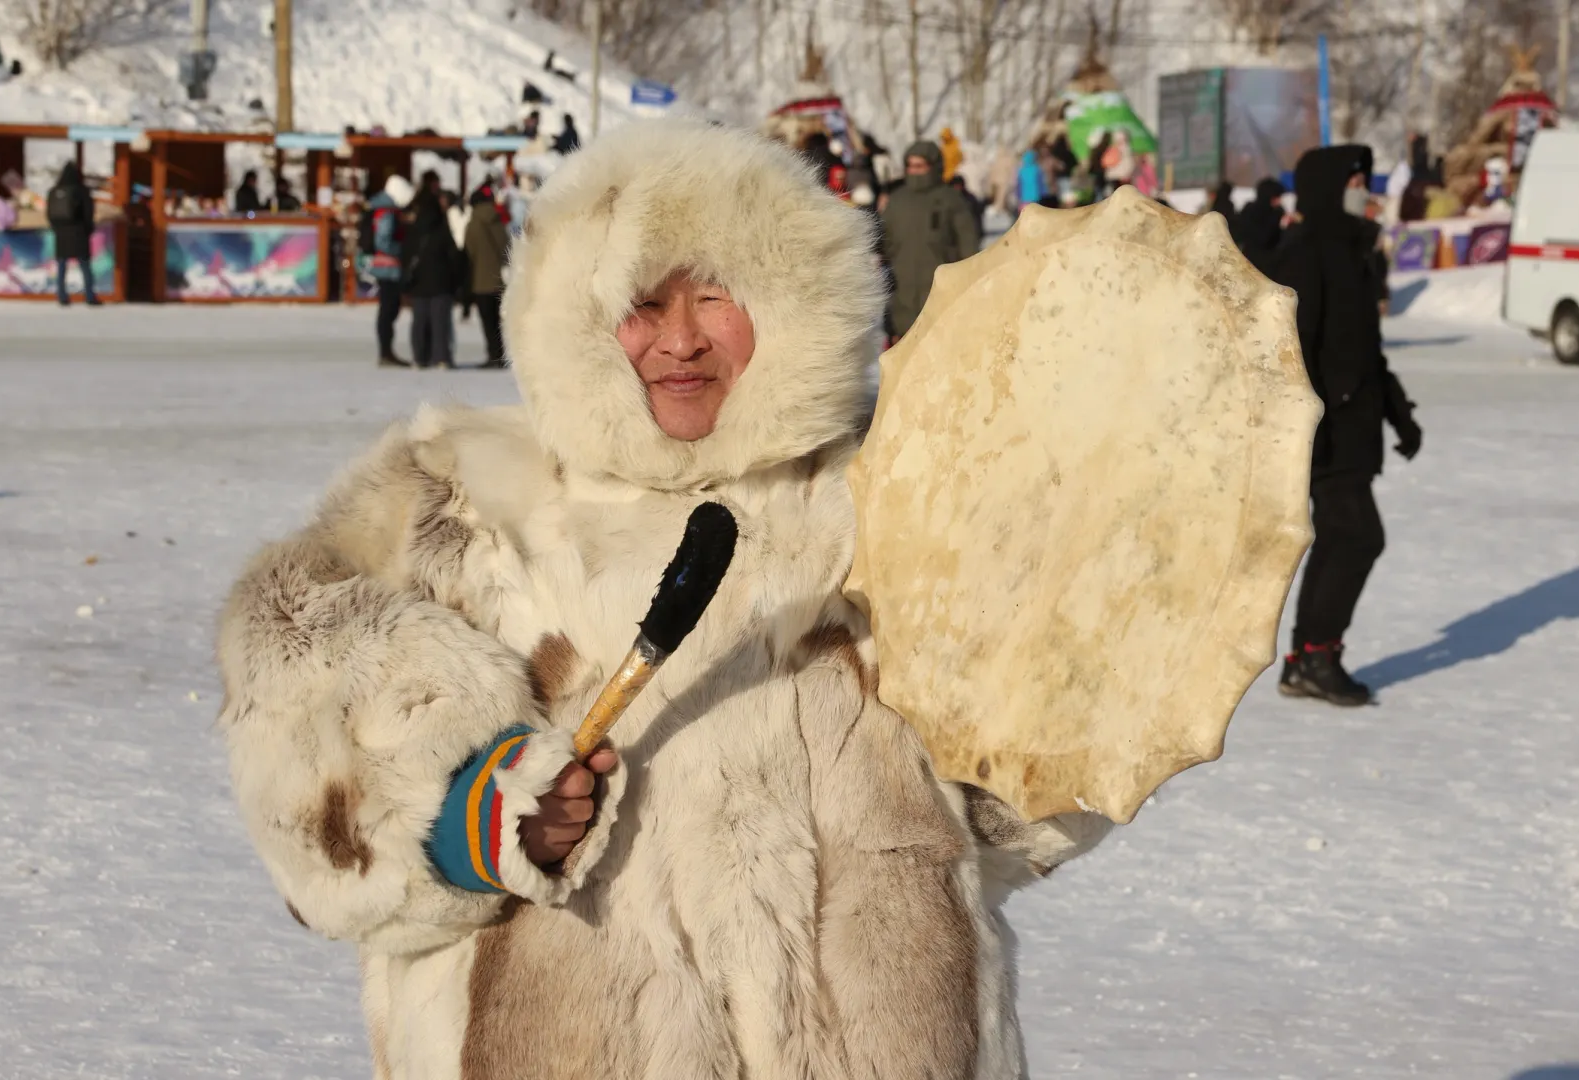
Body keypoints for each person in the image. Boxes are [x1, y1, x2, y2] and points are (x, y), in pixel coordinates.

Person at [214, 119, 1106, 1080]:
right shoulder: (464, 505)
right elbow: (307, 785)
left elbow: (1009, 822)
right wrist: (484, 822)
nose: (680, 339)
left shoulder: (893, 505)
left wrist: (1083, 647)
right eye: (641, 303)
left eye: (718, 295)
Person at [1269, 145, 1421, 706]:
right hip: (1326, 433)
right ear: (1332, 187)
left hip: (1355, 429)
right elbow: (1291, 351)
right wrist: (1307, 426)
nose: (1367, 188)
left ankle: (1310, 657)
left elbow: (1367, 353)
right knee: (1357, 536)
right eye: (1357, 180)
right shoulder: (1306, 255)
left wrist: (1400, 415)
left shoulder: (1354, 252)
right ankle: (1313, 655)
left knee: (1344, 537)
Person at [880, 140, 980, 338]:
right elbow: (884, 243)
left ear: (933, 167)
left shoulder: (952, 200)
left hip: (941, 293)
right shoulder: (897, 200)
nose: (914, 171)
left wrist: (969, 280)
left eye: (920, 166)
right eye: (910, 165)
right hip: (903, 295)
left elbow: (968, 245)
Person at [403, 188, 461, 369]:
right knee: (440, 322)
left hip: (419, 283)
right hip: (441, 282)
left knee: (419, 322)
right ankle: (441, 357)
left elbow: (406, 254)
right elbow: (453, 255)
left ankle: (419, 357)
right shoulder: (441, 229)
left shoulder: (414, 229)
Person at [365, 175, 415, 367]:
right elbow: (383, 241)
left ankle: (387, 351)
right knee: (388, 309)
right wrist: (402, 250)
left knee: (389, 309)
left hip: (386, 266)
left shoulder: (383, 210)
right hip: (388, 266)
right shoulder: (386, 212)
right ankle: (386, 352)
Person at [460, 182, 511, 368]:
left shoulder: (472, 224)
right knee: (499, 323)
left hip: (480, 281)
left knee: (488, 323)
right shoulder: (497, 221)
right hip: (498, 280)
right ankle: (500, 355)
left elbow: (469, 251)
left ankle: (492, 356)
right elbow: (506, 247)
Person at [45, 162, 99, 307]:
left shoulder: (54, 191)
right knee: (85, 266)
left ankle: (62, 295)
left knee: (62, 266)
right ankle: (89, 296)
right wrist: (88, 229)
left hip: (61, 233)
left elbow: (49, 214)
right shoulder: (81, 190)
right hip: (79, 231)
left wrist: (57, 228)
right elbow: (88, 213)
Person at [1232, 177, 1287, 271]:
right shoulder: (1274, 213)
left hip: (1247, 261)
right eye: (1277, 198)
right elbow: (1265, 238)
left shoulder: (1248, 209)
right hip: (1266, 265)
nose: (1279, 201)